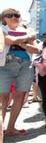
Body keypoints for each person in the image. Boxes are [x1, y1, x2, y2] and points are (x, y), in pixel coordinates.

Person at [0, 8, 40, 136]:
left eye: (17, 15)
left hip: (25, 64)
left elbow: (36, 50)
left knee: (20, 96)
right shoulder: (2, 29)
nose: (14, 17)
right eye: (10, 15)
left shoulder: (26, 30)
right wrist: (27, 38)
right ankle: (1, 129)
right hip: (5, 64)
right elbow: (8, 41)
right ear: (3, 18)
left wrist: (21, 43)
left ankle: (11, 128)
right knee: (3, 98)